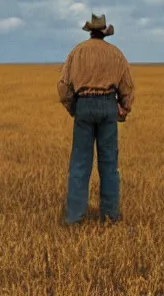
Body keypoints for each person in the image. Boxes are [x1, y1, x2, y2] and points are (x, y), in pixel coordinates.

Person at [57, 14, 135, 225]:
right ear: (104, 33)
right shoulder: (116, 54)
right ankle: (110, 217)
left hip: (84, 105)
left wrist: (74, 107)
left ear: (90, 31)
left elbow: (63, 87)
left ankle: (74, 218)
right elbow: (127, 86)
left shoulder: (77, 51)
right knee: (109, 165)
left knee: (80, 164)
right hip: (108, 106)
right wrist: (123, 109)